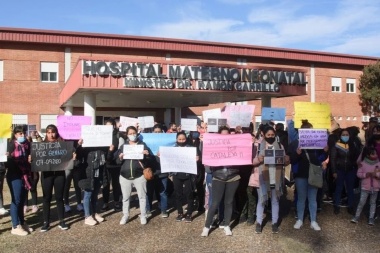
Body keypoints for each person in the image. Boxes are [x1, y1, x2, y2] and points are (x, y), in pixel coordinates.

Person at [288, 120, 327, 231]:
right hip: (301, 174)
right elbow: (291, 160)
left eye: (310, 131)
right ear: (301, 132)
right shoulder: (295, 143)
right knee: (301, 198)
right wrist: (297, 153)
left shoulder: (317, 143)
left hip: (313, 174)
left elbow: (320, 159)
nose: (309, 133)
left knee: (312, 198)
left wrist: (325, 152)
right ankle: (300, 219)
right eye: (306, 131)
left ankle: (313, 221)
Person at [201, 126, 240, 237]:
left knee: (229, 202)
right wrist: (204, 143)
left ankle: (226, 225)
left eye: (227, 135)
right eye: (222, 135)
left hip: (233, 176)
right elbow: (207, 162)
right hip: (218, 176)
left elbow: (244, 156)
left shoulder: (236, 146)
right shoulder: (213, 146)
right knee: (214, 203)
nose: (225, 137)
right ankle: (206, 227)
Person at [253, 126, 289, 234]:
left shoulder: (280, 146)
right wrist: (259, 159)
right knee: (262, 200)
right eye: (268, 135)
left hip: (276, 178)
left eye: (272, 135)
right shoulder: (258, 145)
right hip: (263, 177)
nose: (270, 137)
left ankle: (274, 223)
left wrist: (287, 159)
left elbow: (285, 161)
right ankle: (258, 222)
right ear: (263, 134)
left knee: (275, 200)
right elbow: (253, 161)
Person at [39, 124, 74, 232]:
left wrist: (73, 155)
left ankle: (62, 220)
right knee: (46, 198)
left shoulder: (62, 144)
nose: (51, 135)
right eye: (48, 133)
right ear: (46, 134)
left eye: (53, 132)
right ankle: (46, 222)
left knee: (59, 198)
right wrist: (32, 158)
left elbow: (70, 153)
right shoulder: (41, 145)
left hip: (59, 174)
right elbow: (37, 159)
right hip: (47, 175)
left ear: (56, 132)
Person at [116, 126, 152, 225]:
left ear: (137, 133)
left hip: (139, 175)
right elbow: (117, 161)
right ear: (127, 135)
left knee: (142, 196)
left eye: (134, 133)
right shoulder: (123, 146)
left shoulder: (142, 144)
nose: (132, 135)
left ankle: (143, 215)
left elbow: (149, 160)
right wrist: (120, 157)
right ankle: (125, 215)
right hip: (125, 176)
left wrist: (147, 155)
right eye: (130, 133)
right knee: (126, 197)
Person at [5, 126, 33, 236]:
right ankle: (15, 226)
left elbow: (31, 156)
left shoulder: (27, 145)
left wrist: (31, 158)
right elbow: (7, 163)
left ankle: (22, 222)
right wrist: (8, 158)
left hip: (24, 175)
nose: (22, 136)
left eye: (23, 133)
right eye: (19, 134)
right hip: (14, 175)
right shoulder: (10, 145)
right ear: (15, 135)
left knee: (22, 200)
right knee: (16, 200)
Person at [76, 140, 113, 226]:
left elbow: (108, 159)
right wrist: (79, 145)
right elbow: (78, 154)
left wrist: (110, 150)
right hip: (89, 174)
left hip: (99, 174)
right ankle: (87, 216)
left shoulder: (103, 148)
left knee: (95, 195)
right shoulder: (86, 148)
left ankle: (94, 213)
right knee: (88, 194)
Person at [330, 128, 361, 215]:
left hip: (351, 170)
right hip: (340, 170)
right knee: (338, 188)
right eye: (343, 135)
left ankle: (350, 206)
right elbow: (333, 159)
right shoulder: (336, 145)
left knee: (350, 189)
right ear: (340, 136)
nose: (345, 136)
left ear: (349, 135)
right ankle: (336, 206)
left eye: (347, 134)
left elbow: (357, 157)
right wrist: (334, 171)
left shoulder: (353, 145)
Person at [170, 131, 198, 223]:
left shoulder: (191, 149)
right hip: (177, 174)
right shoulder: (173, 149)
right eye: (179, 139)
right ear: (176, 139)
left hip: (188, 174)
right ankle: (180, 213)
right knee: (178, 194)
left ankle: (189, 213)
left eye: (183, 139)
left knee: (189, 194)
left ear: (186, 139)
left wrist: (197, 158)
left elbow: (197, 158)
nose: (181, 141)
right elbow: (168, 161)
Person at [351, 146, 380, 225]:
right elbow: (359, 174)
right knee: (361, 202)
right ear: (368, 155)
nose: (375, 155)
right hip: (365, 186)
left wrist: (376, 175)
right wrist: (366, 174)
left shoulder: (378, 164)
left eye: (375, 154)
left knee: (373, 203)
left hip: (376, 187)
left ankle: (371, 218)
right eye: (372, 154)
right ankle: (357, 216)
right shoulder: (363, 164)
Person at [146, 124, 170, 218]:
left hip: (163, 171)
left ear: (162, 132)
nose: (157, 133)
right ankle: (148, 210)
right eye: (155, 132)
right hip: (150, 171)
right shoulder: (147, 142)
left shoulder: (166, 142)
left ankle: (164, 210)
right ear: (152, 133)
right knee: (149, 192)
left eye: (159, 132)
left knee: (163, 192)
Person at [101, 118, 122, 211]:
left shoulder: (118, 135)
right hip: (105, 163)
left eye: (111, 126)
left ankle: (116, 201)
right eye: (107, 126)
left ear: (114, 126)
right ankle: (105, 203)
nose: (108, 128)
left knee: (116, 184)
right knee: (105, 184)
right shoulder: (101, 135)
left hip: (116, 164)